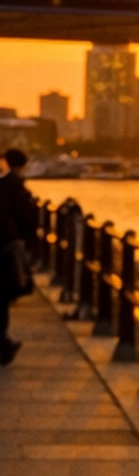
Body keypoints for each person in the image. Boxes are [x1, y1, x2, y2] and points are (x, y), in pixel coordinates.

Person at [0, 146, 39, 366]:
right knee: (2, 298)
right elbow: (25, 216)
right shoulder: (13, 184)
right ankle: (3, 344)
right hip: (3, 245)